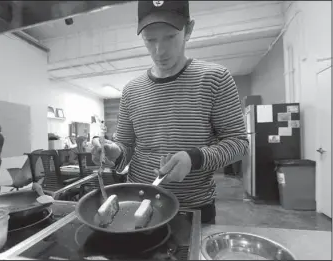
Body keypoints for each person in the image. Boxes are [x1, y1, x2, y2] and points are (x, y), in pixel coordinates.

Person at [91, 0, 249, 224]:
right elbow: (126, 148)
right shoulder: (131, 90)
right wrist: (114, 152)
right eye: (150, 40)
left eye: (170, 37)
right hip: (138, 203)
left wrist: (194, 158)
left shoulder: (215, 79)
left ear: (189, 30)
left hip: (194, 209)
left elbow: (238, 144)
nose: (159, 50)